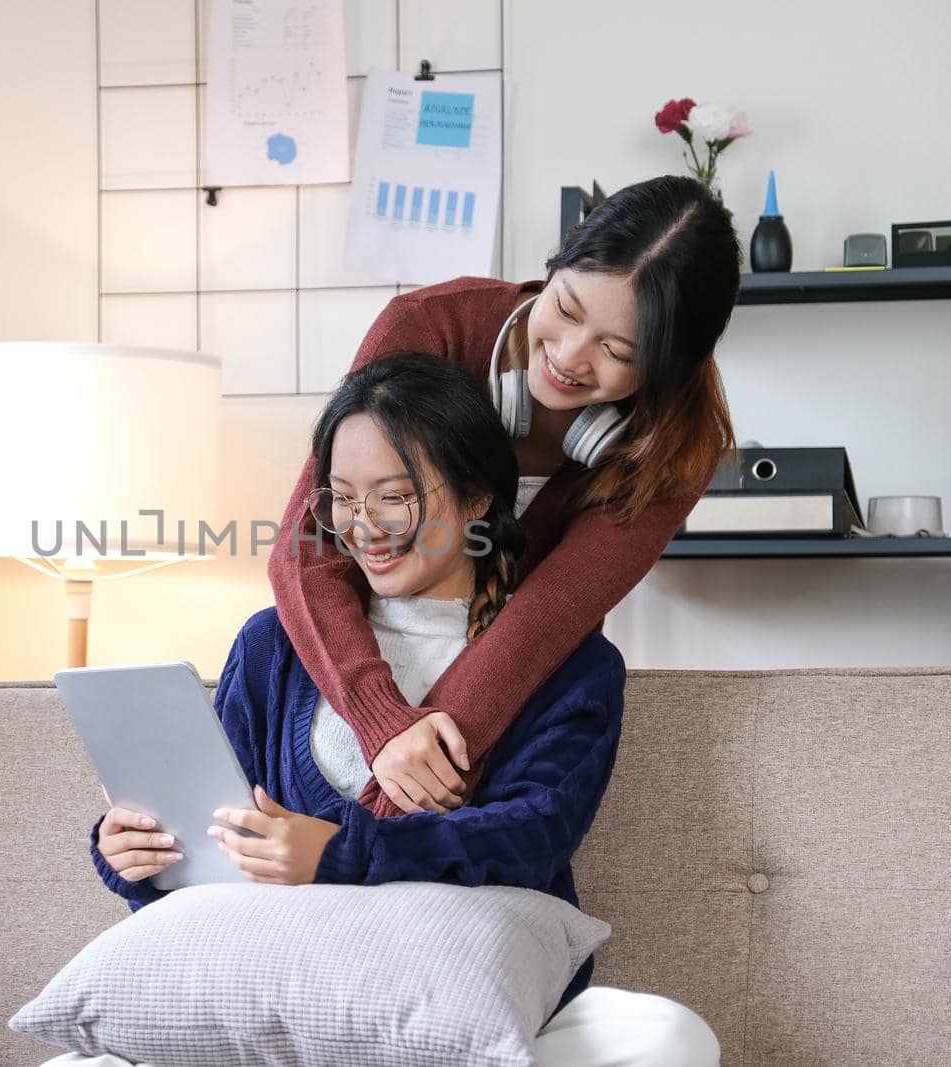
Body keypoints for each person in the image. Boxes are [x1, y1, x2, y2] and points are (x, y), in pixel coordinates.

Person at [53, 353, 718, 1067]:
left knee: (663, 1038)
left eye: (393, 496)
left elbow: (532, 840)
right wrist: (135, 853)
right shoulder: (274, 644)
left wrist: (338, 853)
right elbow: (224, 839)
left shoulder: (570, 666)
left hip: (452, 1002)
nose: (362, 525)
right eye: (342, 497)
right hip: (276, 989)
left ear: (478, 498)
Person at [270, 174, 740, 819]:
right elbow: (308, 546)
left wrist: (365, 832)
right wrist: (380, 722)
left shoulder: (676, 446)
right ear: (553, 269)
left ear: (670, 365)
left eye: (617, 350)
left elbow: (539, 625)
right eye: (567, 309)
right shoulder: (429, 327)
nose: (570, 358)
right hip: (364, 689)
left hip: (495, 739)